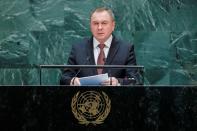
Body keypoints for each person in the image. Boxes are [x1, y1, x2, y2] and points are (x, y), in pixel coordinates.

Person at [60, 7, 140, 86]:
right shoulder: (78, 49)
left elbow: (135, 81)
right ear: (90, 26)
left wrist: (118, 82)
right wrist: (72, 81)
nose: (99, 27)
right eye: (95, 23)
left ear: (113, 25)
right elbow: (64, 78)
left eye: (104, 23)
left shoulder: (126, 49)